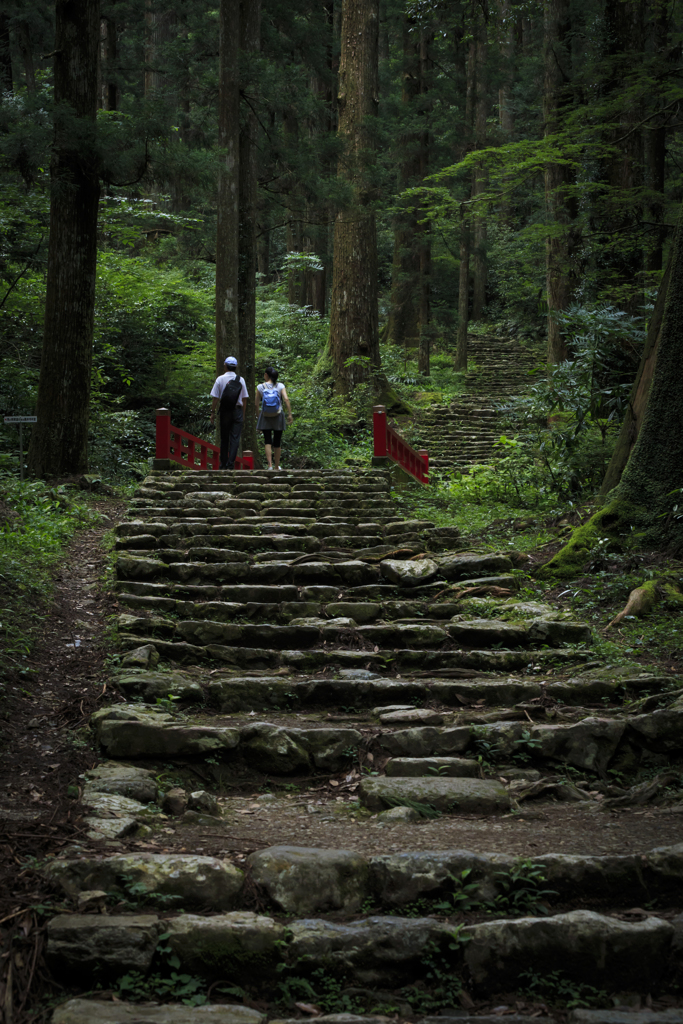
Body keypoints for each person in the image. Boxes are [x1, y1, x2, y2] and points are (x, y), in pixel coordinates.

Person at [209, 356, 249, 470]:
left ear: (225, 366)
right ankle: (231, 464)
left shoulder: (220, 379)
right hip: (237, 411)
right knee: (235, 438)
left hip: (225, 411)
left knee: (224, 438)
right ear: (236, 367)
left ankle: (223, 464)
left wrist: (212, 412)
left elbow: (215, 398)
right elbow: (245, 399)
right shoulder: (240, 380)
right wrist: (243, 413)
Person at [255, 366, 293, 470]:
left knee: (267, 440)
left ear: (266, 375)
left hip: (265, 415)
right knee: (277, 441)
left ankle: (270, 465)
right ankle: (277, 466)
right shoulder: (280, 386)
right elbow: (286, 399)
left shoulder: (260, 387)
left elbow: (256, 404)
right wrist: (289, 414)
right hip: (278, 415)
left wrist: (258, 416)